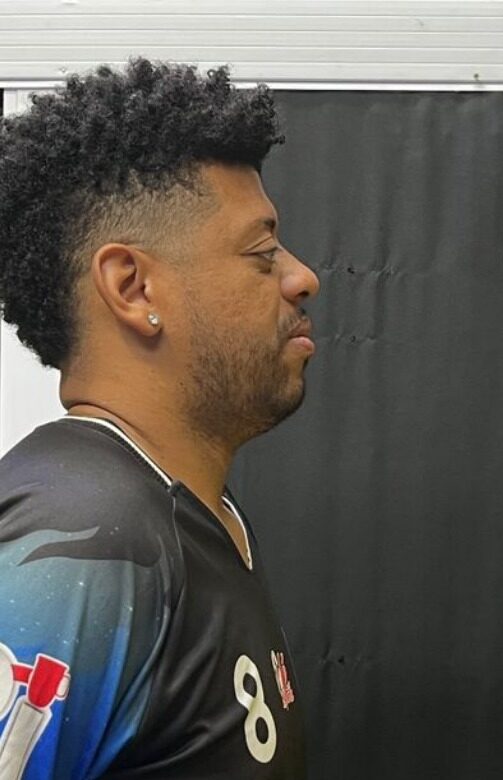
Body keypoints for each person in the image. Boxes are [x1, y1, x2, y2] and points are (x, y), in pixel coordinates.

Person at [0, 59, 318, 778]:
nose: (303, 277)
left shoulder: (191, 516)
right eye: (262, 253)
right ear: (133, 287)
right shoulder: (86, 538)